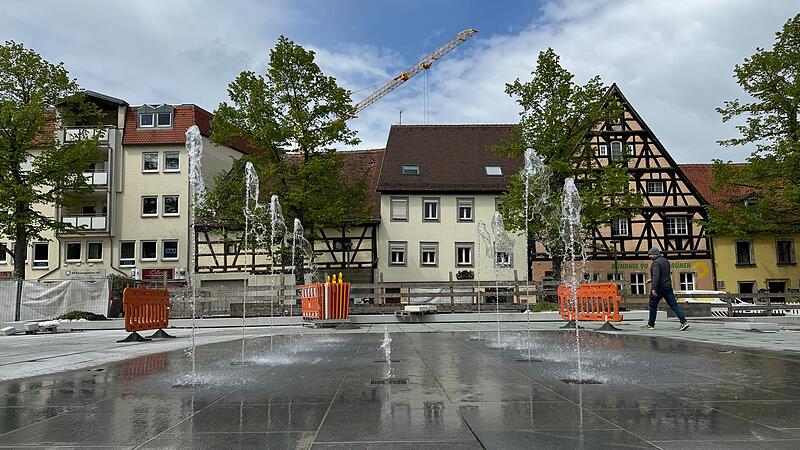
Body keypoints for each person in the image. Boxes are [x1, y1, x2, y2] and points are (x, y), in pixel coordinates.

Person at [644, 247, 689, 331]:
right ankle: (684, 322)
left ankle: (651, 324)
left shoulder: (656, 263)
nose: (649, 257)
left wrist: (653, 288)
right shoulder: (665, 261)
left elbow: (657, 275)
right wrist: (651, 279)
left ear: (654, 254)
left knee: (653, 305)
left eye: (650, 255)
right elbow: (664, 274)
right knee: (673, 305)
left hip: (659, 288)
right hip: (667, 287)